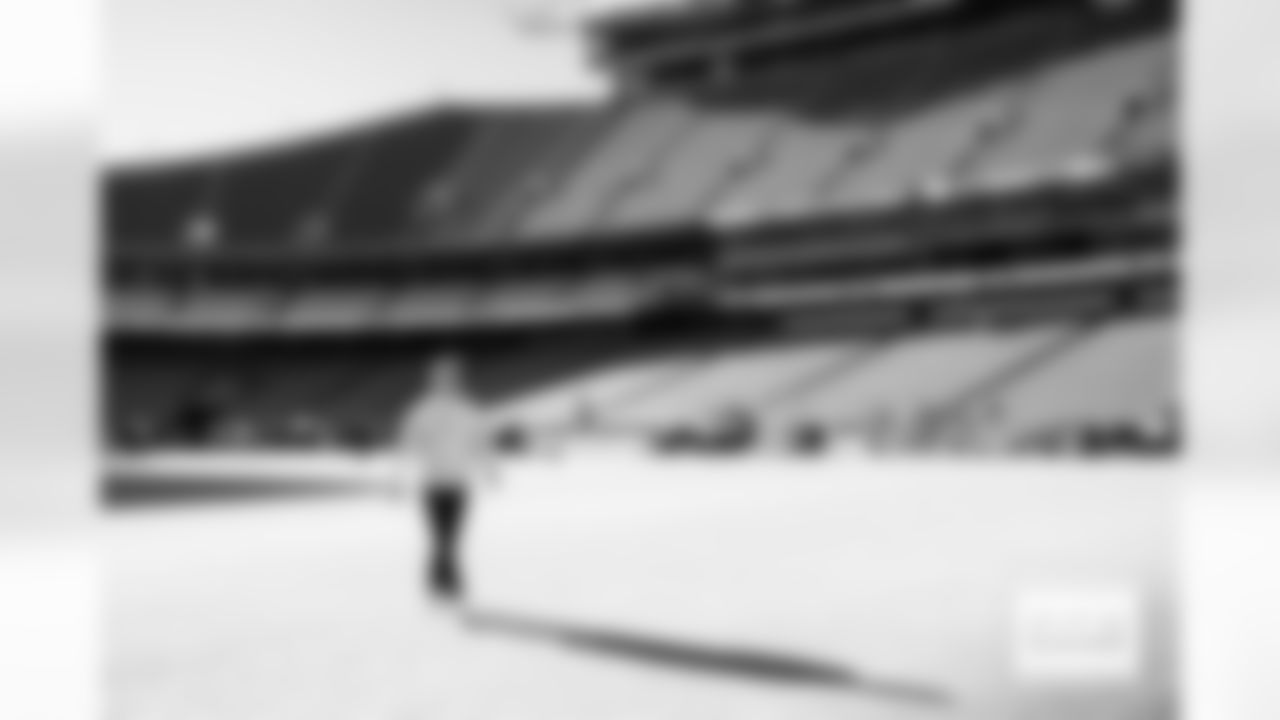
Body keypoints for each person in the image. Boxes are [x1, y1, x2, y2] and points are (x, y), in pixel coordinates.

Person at [394, 354, 498, 604]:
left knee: (451, 537)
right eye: (441, 377)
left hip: (457, 483)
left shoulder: (468, 411)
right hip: (434, 483)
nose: (446, 382)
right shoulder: (422, 411)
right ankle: (445, 585)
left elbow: (480, 443)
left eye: (450, 377)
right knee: (440, 537)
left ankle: (443, 584)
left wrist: (490, 470)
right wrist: (397, 477)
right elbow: (408, 444)